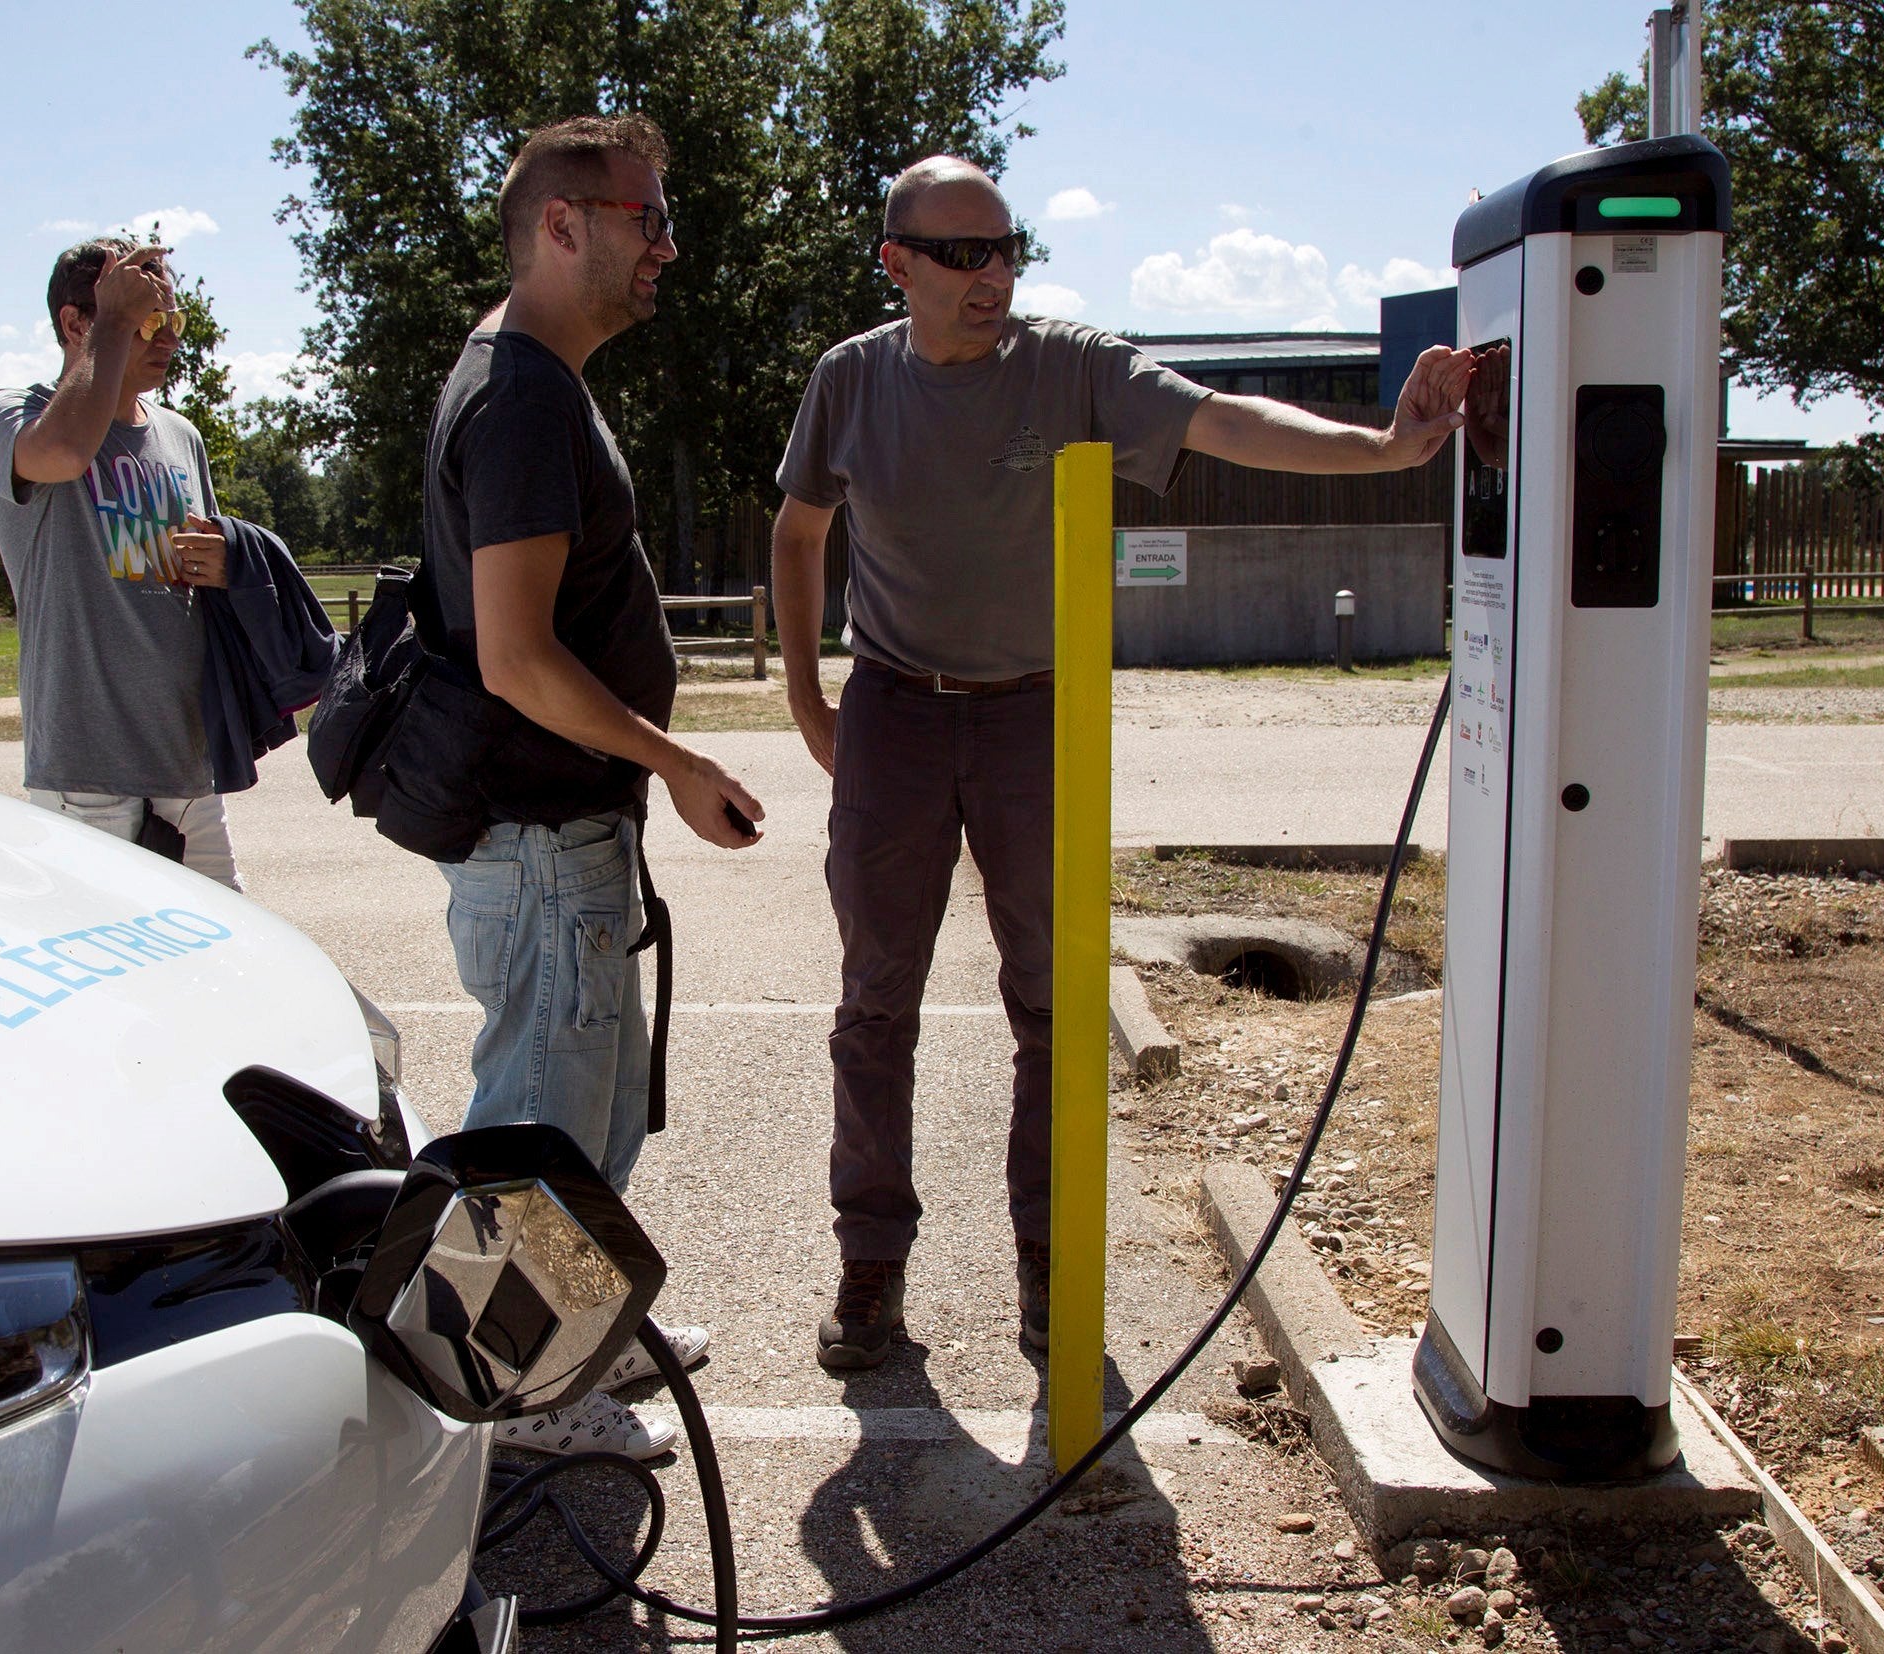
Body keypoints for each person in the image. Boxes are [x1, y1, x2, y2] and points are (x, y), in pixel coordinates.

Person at [773, 155, 1472, 1371]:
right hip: (891, 706)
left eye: (1004, 249)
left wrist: (1382, 450)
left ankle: (1048, 1262)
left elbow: (1218, 417)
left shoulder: (1070, 365)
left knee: (1050, 1004)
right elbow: (797, 529)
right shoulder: (850, 379)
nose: (989, 274)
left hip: (1034, 714)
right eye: (959, 254)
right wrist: (805, 697)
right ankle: (870, 1266)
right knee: (875, 1002)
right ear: (896, 263)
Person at [420, 113, 766, 1458]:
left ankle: (587, 1332)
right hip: (536, 833)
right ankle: (520, 1397)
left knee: (597, 1112)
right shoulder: (516, 395)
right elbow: (515, 656)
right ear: (562, 225)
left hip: (569, 832)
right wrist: (675, 762)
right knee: (537, 1132)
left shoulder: (536, 383)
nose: (666, 245)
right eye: (646, 218)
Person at [0, 238, 243, 888]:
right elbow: (65, 453)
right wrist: (114, 326)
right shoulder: (17, 416)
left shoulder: (181, 437)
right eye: (144, 320)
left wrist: (226, 563)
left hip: (185, 767)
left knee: (227, 964)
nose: (168, 339)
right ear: (76, 324)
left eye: (170, 320)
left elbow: (201, 579)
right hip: (87, 773)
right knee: (116, 979)